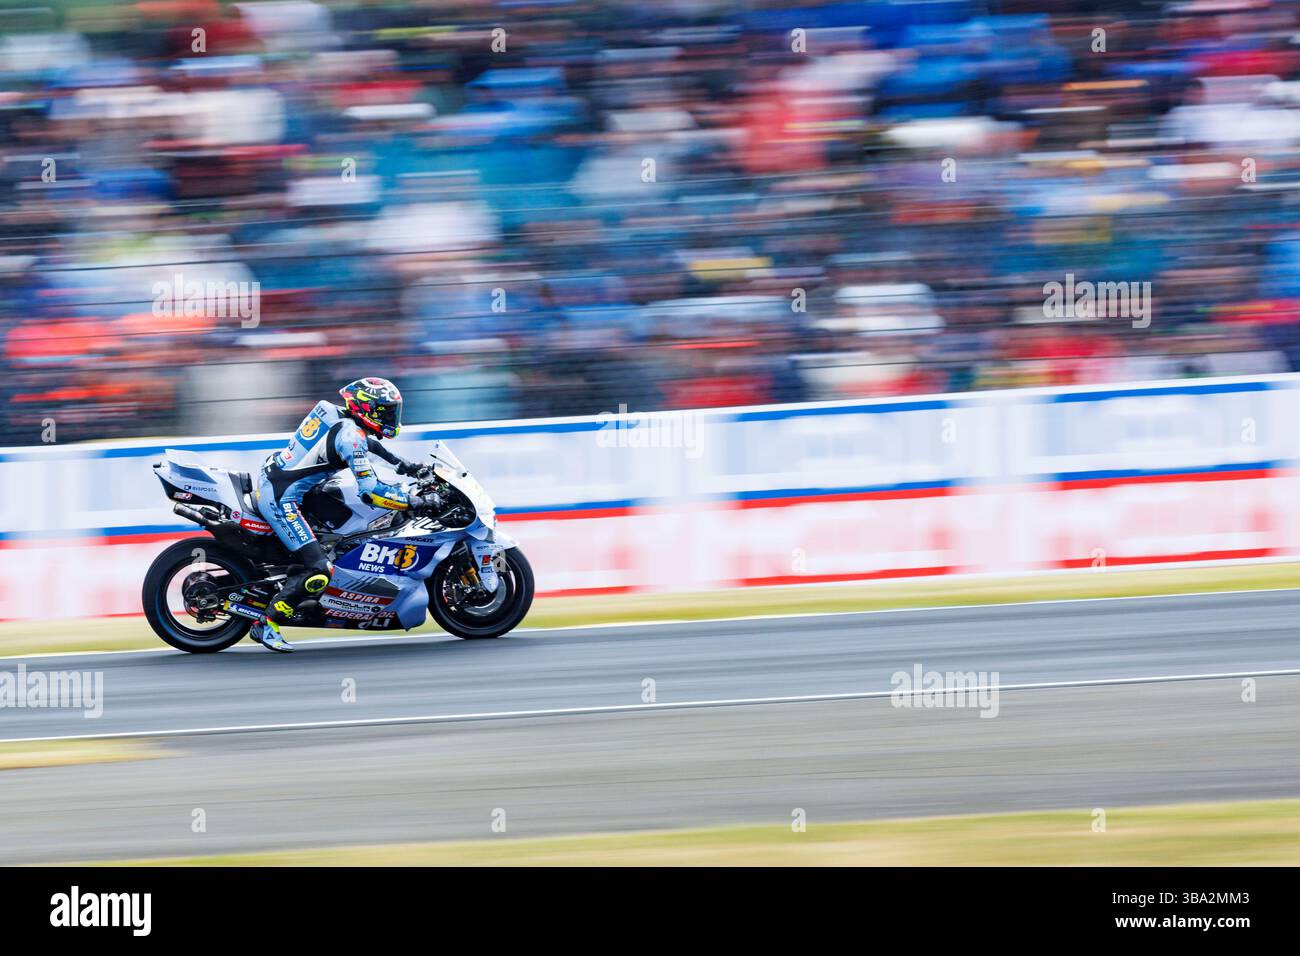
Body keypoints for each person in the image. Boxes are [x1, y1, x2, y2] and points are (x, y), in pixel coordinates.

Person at [250, 377, 437, 652]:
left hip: (283, 479)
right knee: (321, 570)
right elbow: (371, 492)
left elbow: (368, 446)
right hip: (281, 499)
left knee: (342, 532)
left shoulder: (335, 414)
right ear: (367, 409)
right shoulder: (351, 437)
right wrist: (416, 503)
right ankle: (267, 622)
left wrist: (406, 466)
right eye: (386, 411)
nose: (391, 416)